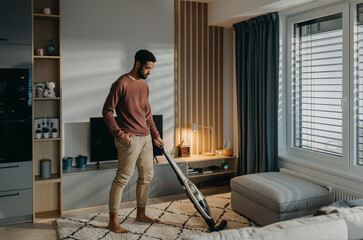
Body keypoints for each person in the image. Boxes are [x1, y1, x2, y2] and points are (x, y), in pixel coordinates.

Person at [102, 49, 164, 234]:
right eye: (147, 68)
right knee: (122, 179)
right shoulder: (121, 83)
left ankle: (141, 214)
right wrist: (120, 135)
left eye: (151, 68)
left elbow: (147, 114)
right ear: (137, 64)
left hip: (145, 139)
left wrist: (156, 136)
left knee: (146, 176)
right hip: (129, 139)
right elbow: (107, 111)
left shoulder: (144, 87)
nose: (149, 72)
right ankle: (113, 222)